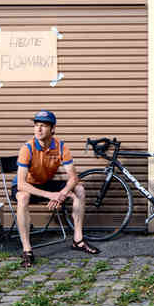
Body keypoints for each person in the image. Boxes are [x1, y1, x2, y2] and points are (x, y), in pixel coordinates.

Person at [13, 110, 99, 267]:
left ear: (52, 129)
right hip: (28, 185)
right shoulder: (27, 148)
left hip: (46, 183)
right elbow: (21, 184)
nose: (38, 129)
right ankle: (27, 250)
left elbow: (74, 177)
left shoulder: (60, 147)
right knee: (23, 197)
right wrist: (51, 195)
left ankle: (78, 240)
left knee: (79, 189)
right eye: (36, 125)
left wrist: (62, 194)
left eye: (43, 126)